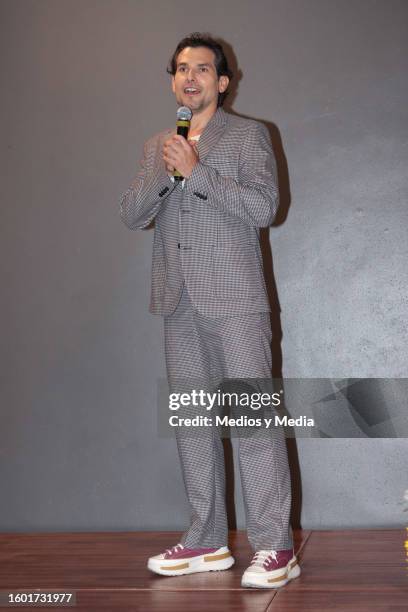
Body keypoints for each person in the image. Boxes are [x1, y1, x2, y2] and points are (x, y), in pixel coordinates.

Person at [119, 32, 301, 589]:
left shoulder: (249, 136)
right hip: (178, 301)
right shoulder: (158, 145)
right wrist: (169, 172)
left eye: (202, 68)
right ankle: (207, 538)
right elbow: (130, 213)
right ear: (172, 80)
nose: (190, 77)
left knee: (251, 422)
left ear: (222, 82)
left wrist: (197, 173)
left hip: (236, 301)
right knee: (194, 424)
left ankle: (276, 546)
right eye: (180, 69)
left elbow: (264, 207)